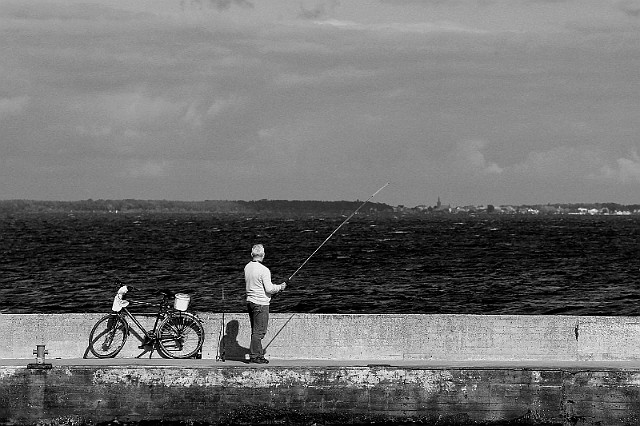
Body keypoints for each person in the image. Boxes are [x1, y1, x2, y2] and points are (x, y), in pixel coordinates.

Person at [244, 243, 287, 364]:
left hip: (250, 302)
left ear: (252, 254)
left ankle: (255, 354)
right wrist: (280, 287)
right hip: (261, 304)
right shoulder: (264, 270)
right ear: (263, 255)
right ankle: (256, 356)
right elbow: (269, 289)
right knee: (259, 331)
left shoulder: (247, 267)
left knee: (255, 330)